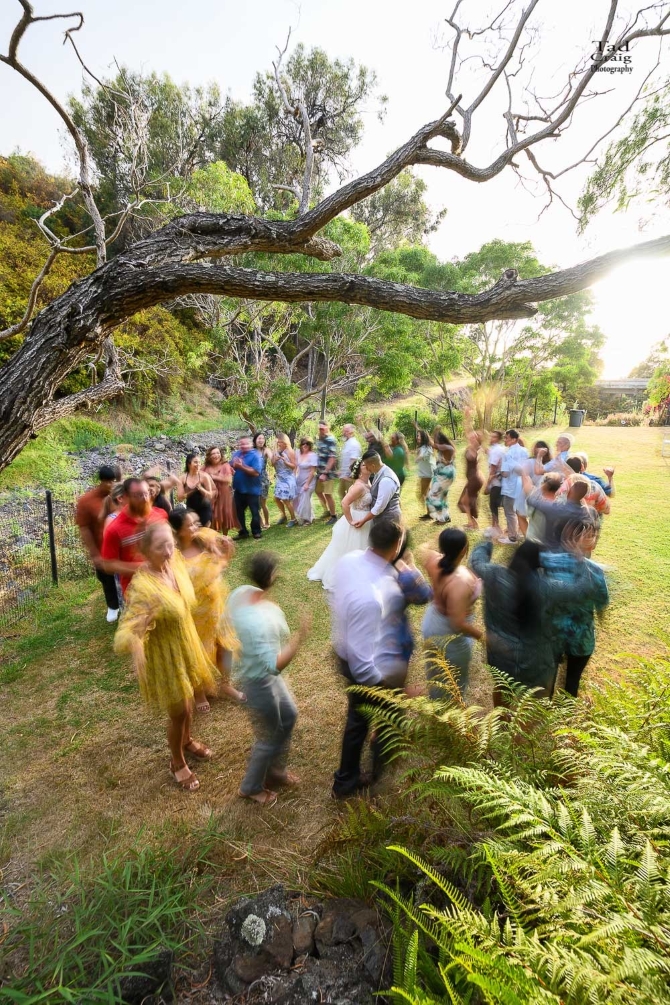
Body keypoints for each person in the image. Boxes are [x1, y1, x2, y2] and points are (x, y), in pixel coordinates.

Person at [114, 521, 219, 793]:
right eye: (161, 546)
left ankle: (187, 740)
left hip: (185, 643)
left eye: (170, 543)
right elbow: (124, 635)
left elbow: (194, 554)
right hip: (166, 655)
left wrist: (213, 546)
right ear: (145, 550)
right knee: (179, 710)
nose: (169, 551)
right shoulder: (143, 586)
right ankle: (177, 761)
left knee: (189, 701)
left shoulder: (175, 564)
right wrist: (137, 636)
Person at [330, 520, 408, 799]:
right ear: (396, 546)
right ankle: (356, 778)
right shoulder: (371, 598)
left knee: (359, 719)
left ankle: (349, 777)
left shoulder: (350, 560)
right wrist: (391, 689)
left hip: (343, 648)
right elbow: (363, 666)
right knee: (371, 718)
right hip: (362, 664)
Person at [227, 552, 310, 807]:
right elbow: (273, 665)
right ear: (272, 576)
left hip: (262, 677)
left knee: (289, 715)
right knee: (270, 735)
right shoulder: (258, 622)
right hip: (259, 682)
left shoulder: (242, 593)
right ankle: (250, 787)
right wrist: (299, 638)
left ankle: (276, 771)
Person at [470, 539, 585, 702]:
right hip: (537, 663)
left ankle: (502, 719)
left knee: (502, 688)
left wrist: (487, 541)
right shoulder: (549, 588)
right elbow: (580, 590)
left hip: (501, 655)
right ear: (540, 563)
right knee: (536, 703)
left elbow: (476, 561)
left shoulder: (494, 575)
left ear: (515, 556)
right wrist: (580, 561)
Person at [168, 507, 245, 712]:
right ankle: (199, 692)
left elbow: (224, 561)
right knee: (197, 653)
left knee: (225, 645)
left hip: (215, 605)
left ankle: (226, 684)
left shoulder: (205, 538)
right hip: (193, 612)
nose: (196, 527)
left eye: (196, 522)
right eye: (190, 525)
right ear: (178, 530)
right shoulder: (173, 555)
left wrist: (227, 548)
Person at [541, 517, 609, 697]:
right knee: (572, 683)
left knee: (547, 679)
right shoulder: (595, 571)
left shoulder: (547, 562)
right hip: (581, 639)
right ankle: (565, 711)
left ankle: (543, 708)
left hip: (552, 633)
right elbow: (602, 603)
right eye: (591, 535)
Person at [421, 528, 483, 700]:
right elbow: (458, 623)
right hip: (448, 633)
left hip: (432, 620)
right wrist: (483, 637)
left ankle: (436, 701)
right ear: (464, 550)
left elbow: (424, 549)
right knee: (454, 679)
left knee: (435, 670)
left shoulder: (432, 559)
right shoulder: (460, 581)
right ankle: (448, 709)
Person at [307, 458, 373, 589]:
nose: (368, 466)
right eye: (364, 465)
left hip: (366, 519)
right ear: (359, 470)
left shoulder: (368, 482)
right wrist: (351, 520)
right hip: (358, 518)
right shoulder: (359, 486)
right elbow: (344, 503)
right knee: (354, 548)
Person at [101, 477, 168, 596]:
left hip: (165, 583)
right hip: (137, 592)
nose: (145, 499)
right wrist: (141, 568)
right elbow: (108, 565)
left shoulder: (161, 515)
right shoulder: (114, 529)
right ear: (125, 497)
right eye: (138, 495)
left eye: (147, 493)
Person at [75, 464, 122, 622]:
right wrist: (94, 553)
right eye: (109, 482)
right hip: (102, 548)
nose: (112, 485)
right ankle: (113, 606)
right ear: (102, 481)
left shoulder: (121, 497)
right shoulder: (87, 501)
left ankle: (128, 604)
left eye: (114, 481)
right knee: (106, 578)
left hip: (122, 546)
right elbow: (84, 528)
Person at [352, 450, 401, 528]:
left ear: (373, 465)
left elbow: (379, 507)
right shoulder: (379, 472)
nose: (367, 468)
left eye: (367, 466)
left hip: (388, 520)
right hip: (381, 519)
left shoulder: (386, 480)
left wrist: (363, 520)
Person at [513, 440, 551, 539]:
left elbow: (524, 476)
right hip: (546, 495)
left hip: (528, 493)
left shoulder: (529, 462)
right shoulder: (550, 463)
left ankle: (528, 539)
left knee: (521, 516)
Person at [231, 435, 264, 541]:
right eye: (241, 444)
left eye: (246, 444)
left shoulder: (256, 456)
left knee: (254, 512)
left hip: (252, 490)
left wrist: (241, 466)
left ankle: (256, 531)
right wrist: (231, 468)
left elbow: (256, 472)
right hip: (239, 489)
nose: (243, 446)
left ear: (251, 444)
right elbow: (231, 466)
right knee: (238, 512)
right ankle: (243, 532)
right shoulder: (236, 454)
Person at [498, 429, 529, 544]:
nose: (505, 440)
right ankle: (520, 532)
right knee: (520, 511)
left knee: (510, 512)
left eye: (507, 438)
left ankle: (512, 537)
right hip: (523, 484)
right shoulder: (525, 451)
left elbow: (505, 473)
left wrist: (500, 472)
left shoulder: (507, 454)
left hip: (511, 487)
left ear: (514, 439)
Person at [204, 446, 239, 535]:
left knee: (224, 516)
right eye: (213, 453)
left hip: (224, 494)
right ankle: (214, 537)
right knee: (212, 516)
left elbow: (228, 479)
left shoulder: (225, 465)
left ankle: (225, 536)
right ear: (209, 456)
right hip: (211, 495)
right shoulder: (205, 467)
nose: (216, 455)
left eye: (218, 453)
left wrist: (212, 476)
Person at [177, 453, 216, 528]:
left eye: (199, 462)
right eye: (195, 462)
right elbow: (179, 498)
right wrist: (191, 491)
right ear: (189, 463)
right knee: (193, 529)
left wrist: (201, 489)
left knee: (204, 529)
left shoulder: (204, 476)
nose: (198, 464)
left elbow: (210, 495)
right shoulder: (182, 478)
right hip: (191, 508)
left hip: (204, 507)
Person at [425, 431, 456, 524]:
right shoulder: (443, 449)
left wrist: (426, 434)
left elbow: (435, 445)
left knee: (433, 495)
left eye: (436, 440)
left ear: (441, 440)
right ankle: (445, 516)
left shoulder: (448, 447)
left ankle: (442, 518)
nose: (435, 442)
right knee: (442, 496)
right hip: (442, 475)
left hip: (445, 475)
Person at [457, 430, 484, 531]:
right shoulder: (472, 447)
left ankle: (472, 524)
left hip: (474, 479)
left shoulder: (475, 448)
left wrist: (474, 444)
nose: (470, 437)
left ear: (477, 439)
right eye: (470, 436)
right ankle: (472, 522)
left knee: (464, 501)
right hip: (473, 479)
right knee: (466, 501)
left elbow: (473, 456)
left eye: (473, 437)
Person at [272, 433, 298, 527]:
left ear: (285, 442)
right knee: (276, 498)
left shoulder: (289, 451)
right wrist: (275, 460)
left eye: (280, 442)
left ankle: (293, 519)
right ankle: (283, 516)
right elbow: (272, 464)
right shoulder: (276, 451)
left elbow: (294, 466)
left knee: (285, 499)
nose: (278, 443)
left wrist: (285, 462)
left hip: (288, 478)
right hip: (280, 478)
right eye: (278, 442)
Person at [316, 421, 339, 524]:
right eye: (319, 429)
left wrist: (325, 473)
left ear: (327, 427)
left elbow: (332, 458)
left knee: (328, 494)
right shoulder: (320, 439)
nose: (321, 430)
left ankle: (333, 516)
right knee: (318, 491)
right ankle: (327, 510)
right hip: (319, 472)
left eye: (322, 428)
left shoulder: (331, 440)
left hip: (327, 474)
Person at [484, 430, 505, 536]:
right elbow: (488, 451)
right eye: (490, 436)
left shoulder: (496, 451)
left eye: (494, 437)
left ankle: (496, 528)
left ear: (499, 439)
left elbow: (493, 470)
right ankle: (495, 526)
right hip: (501, 481)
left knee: (493, 505)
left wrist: (487, 485)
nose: (491, 438)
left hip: (496, 482)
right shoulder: (499, 448)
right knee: (495, 504)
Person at [295, 438, 319, 525]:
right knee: (298, 498)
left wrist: (307, 484)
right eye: (303, 443)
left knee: (305, 497)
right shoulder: (298, 453)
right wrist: (294, 477)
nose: (305, 445)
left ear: (310, 445)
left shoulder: (313, 455)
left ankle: (307, 519)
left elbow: (313, 471)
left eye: (307, 444)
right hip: (299, 479)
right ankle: (309, 515)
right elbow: (296, 466)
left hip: (310, 479)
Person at [414, 428, 436, 520]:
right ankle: (430, 512)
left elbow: (422, 455)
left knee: (424, 493)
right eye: (417, 436)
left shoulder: (425, 448)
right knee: (426, 493)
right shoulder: (425, 447)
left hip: (427, 473)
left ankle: (431, 512)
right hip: (426, 472)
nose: (417, 437)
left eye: (419, 436)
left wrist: (417, 458)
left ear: (423, 437)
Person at [253, 433, 273, 530]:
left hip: (263, 480)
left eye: (263, 438)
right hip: (253, 480)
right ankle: (261, 523)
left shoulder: (266, 450)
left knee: (262, 503)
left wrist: (273, 459)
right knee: (255, 504)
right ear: (255, 440)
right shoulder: (251, 451)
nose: (261, 440)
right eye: (259, 438)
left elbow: (271, 457)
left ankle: (267, 522)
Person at [338, 424, 362, 501]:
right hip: (344, 476)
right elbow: (345, 459)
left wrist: (350, 475)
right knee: (341, 493)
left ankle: (349, 508)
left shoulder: (354, 444)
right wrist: (341, 471)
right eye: (344, 431)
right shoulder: (347, 443)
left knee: (351, 498)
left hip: (349, 477)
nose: (344, 433)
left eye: (346, 431)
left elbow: (354, 460)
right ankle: (346, 508)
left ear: (352, 432)